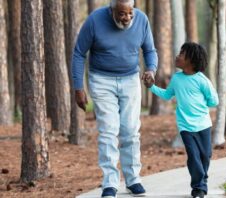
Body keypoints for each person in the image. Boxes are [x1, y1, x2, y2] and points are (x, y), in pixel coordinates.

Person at [72, 0, 158, 197]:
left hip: (130, 79)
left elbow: (150, 50)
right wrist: (78, 87)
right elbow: (78, 54)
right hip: (102, 80)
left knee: (130, 130)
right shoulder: (95, 20)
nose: (126, 18)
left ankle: (133, 178)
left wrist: (151, 70)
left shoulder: (142, 20)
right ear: (111, 10)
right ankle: (110, 183)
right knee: (109, 131)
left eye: (130, 13)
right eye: (121, 14)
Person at [144, 42, 219, 198]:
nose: (177, 56)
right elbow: (167, 95)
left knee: (206, 155)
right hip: (185, 126)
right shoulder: (177, 79)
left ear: (191, 60)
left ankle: (201, 180)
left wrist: (200, 104)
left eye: (182, 54)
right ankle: (198, 188)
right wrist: (151, 86)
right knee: (193, 156)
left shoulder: (202, 80)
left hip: (203, 124)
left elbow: (214, 101)